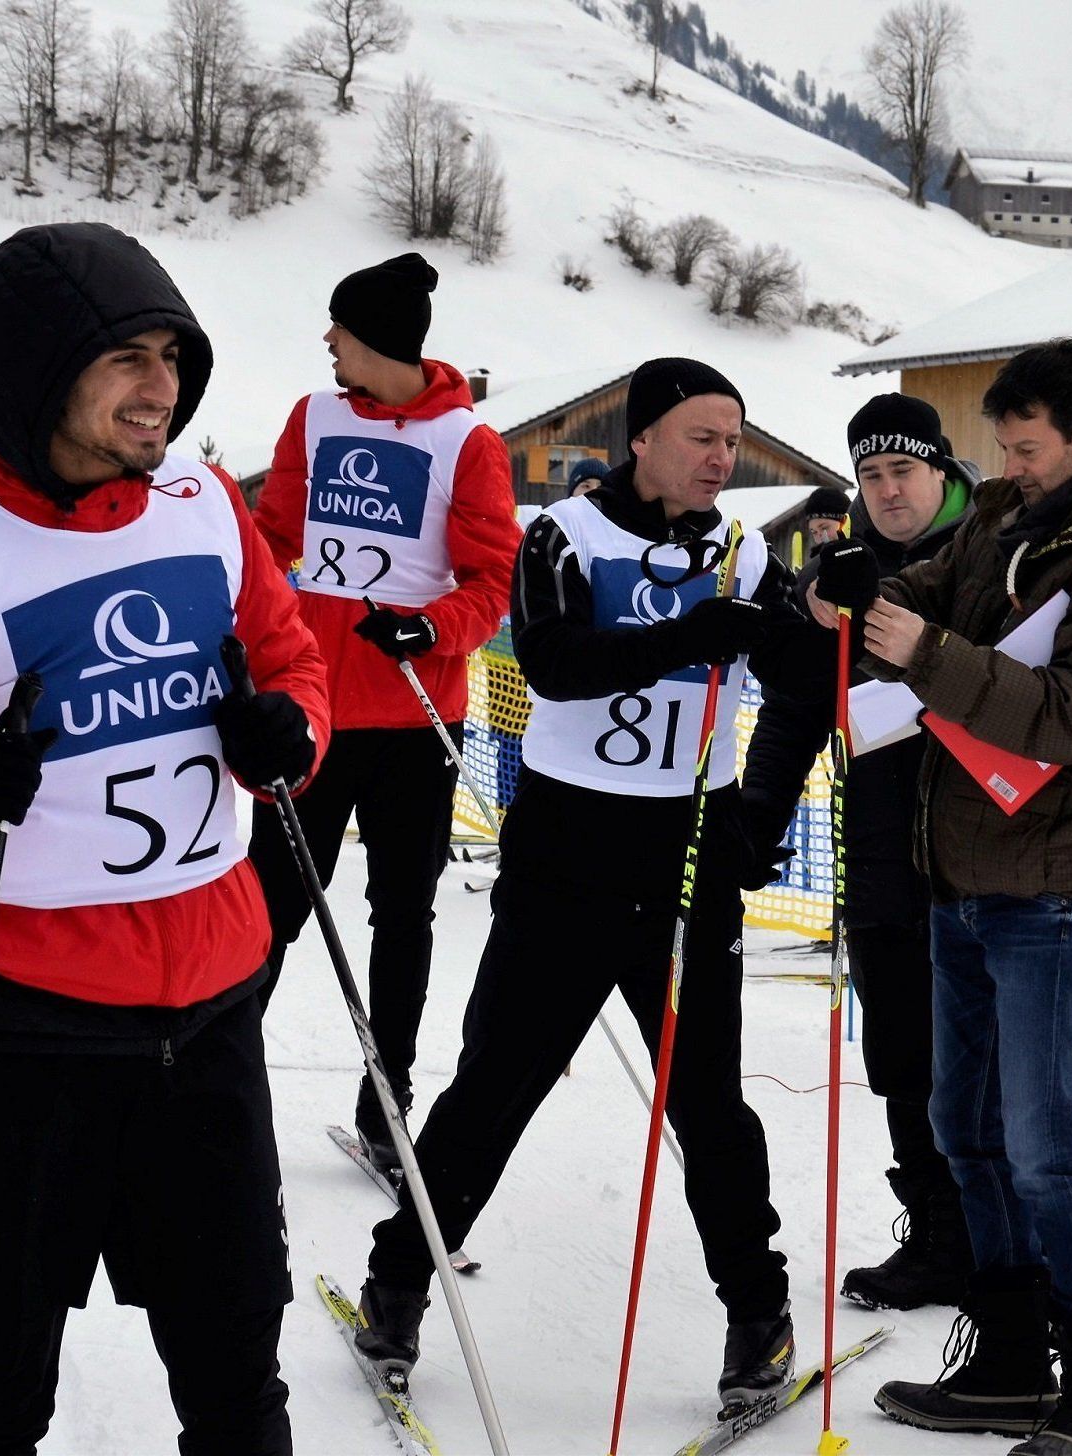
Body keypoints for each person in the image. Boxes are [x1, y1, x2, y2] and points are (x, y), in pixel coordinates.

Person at [0, 221, 329, 1455]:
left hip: (213, 1017)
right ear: (38, 366)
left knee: (238, 1383)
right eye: (123, 356)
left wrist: (292, 732)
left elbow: (291, 659)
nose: (160, 385)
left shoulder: (205, 502)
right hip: (21, 1035)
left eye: (171, 354)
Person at [353, 357, 823, 1415]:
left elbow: (802, 677)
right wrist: (688, 638)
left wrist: (816, 633)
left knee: (708, 1100)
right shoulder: (564, 535)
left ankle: (758, 1312)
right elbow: (558, 661)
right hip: (570, 849)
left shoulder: (744, 550)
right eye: (702, 435)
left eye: (733, 439)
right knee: (496, 1088)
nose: (721, 457)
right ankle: (398, 1283)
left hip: (688, 848)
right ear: (644, 438)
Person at [813, 339, 1072, 1456]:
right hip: (967, 866)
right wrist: (862, 591)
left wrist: (925, 651)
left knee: (1039, 1143)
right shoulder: (1010, 515)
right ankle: (1004, 1360)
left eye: (1028, 447)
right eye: (1002, 445)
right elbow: (933, 587)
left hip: (1053, 880)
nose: (1011, 464)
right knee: (962, 1126)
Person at [250, 252, 518, 1170]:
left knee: (402, 918)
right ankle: (220, 1083)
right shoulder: (314, 416)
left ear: (380, 340)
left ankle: (386, 1097)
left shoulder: (465, 444)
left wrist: (430, 628)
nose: (327, 342)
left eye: (341, 329)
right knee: (271, 906)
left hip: (411, 719)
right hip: (311, 711)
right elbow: (273, 536)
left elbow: (492, 579)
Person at [743, 392, 978, 1312]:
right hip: (880, 847)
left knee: (985, 1062)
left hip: (985, 844)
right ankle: (936, 1233)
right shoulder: (847, 566)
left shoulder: (990, 547)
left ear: (940, 468)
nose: (887, 490)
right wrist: (759, 814)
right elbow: (800, 702)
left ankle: (998, 1241)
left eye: (902, 471)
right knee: (901, 1055)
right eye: (870, 475)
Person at [802, 484, 851, 549]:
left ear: (845, 521)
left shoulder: (867, 551)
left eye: (824, 528)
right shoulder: (820, 557)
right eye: (814, 532)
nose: (819, 540)